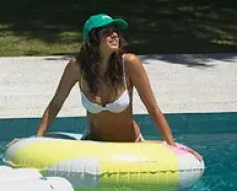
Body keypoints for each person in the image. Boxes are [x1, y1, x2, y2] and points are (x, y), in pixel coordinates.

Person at [36, 13, 202, 160]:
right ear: (93, 39)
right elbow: (56, 104)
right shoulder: (77, 67)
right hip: (94, 145)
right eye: (107, 32)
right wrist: (37, 140)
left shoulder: (129, 63)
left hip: (130, 145)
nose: (114, 35)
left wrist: (172, 145)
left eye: (115, 31)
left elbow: (152, 107)